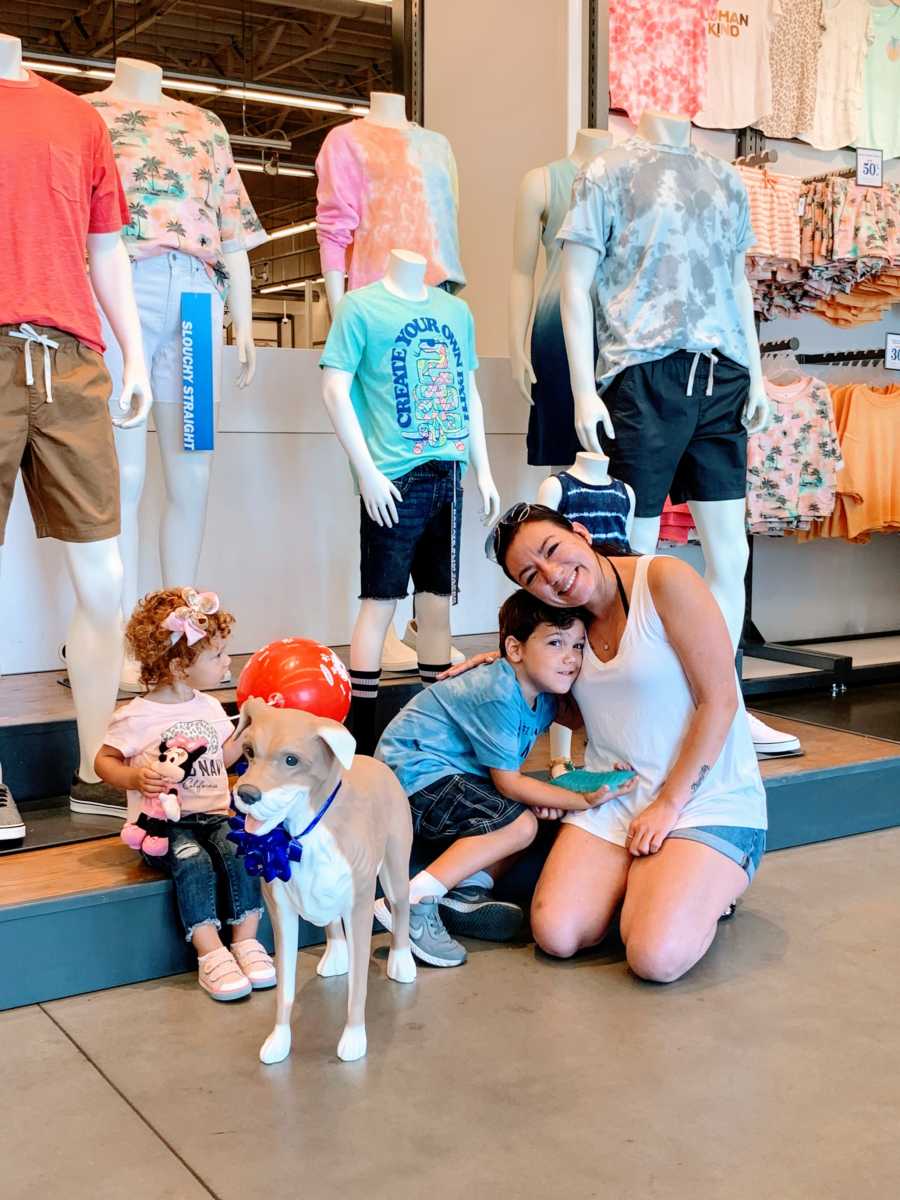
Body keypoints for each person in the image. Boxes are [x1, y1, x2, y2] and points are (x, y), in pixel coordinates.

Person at [463, 503, 767, 983]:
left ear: (580, 532)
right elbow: (581, 716)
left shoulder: (664, 580)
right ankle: (656, 888)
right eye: (532, 575)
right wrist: (506, 673)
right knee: (556, 934)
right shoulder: (567, 626)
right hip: (618, 796)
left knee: (654, 956)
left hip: (703, 800)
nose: (554, 576)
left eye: (553, 551)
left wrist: (668, 804)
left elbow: (720, 702)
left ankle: (704, 883)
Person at [374, 589, 635, 968]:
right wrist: (582, 800)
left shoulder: (541, 690)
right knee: (521, 825)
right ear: (516, 649)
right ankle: (412, 900)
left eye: (578, 646)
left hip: (450, 778)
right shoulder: (498, 691)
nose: (571, 658)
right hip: (412, 777)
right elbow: (509, 783)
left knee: (529, 816)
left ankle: (467, 890)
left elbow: (583, 719)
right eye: (555, 643)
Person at [95, 587, 276, 1002]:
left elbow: (224, 757)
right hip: (163, 827)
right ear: (179, 666)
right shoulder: (135, 717)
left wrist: (249, 728)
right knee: (192, 863)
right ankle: (210, 952)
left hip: (212, 814)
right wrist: (134, 777)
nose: (228, 662)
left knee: (237, 851)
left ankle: (246, 941)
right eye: (217, 655)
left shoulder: (211, 708)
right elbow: (102, 762)